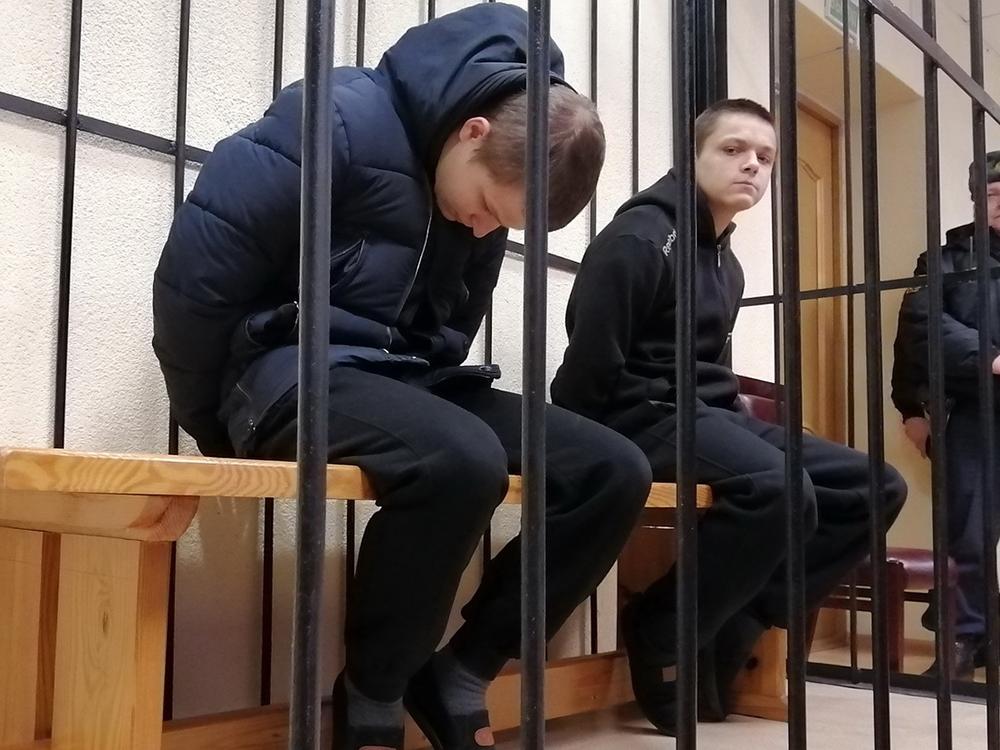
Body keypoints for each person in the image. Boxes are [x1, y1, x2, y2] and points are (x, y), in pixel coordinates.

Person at [152, 5, 652, 749]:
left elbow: (454, 320)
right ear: (472, 133)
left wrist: (435, 384)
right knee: (461, 460)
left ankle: (463, 671)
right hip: (285, 369)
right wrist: (212, 420)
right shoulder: (336, 119)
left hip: (405, 380)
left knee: (615, 470)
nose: (483, 229)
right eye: (486, 209)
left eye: (501, 225)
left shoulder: (480, 193)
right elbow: (197, 277)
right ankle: (374, 692)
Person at [552, 98, 907, 734]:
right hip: (635, 416)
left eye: (765, 158)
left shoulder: (728, 262)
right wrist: (589, 454)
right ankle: (665, 626)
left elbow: (710, 371)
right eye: (733, 149)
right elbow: (588, 364)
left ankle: (740, 613)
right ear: (693, 157)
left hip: (708, 415)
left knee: (875, 485)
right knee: (779, 487)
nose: (752, 166)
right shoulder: (641, 238)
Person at [891, 150, 1000, 679]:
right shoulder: (944, 259)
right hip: (972, 409)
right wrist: (911, 407)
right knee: (967, 533)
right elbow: (918, 327)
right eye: (993, 194)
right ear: (976, 200)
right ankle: (964, 637)